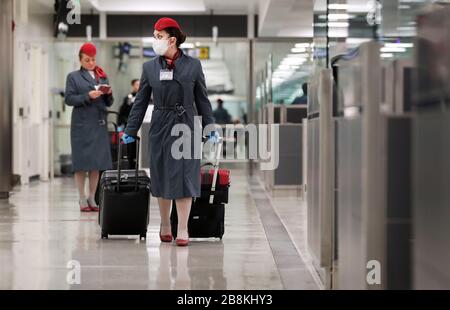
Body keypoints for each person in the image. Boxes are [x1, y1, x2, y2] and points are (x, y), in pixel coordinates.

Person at [122, 17, 216, 246]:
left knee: (186, 178)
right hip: (161, 125)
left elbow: (202, 99)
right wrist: (131, 129)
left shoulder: (193, 66)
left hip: (187, 125)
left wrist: (210, 126)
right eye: (154, 36)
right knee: (162, 176)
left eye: (159, 37)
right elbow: (140, 102)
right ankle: (165, 223)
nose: (155, 41)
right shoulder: (149, 67)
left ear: (172, 40)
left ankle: (182, 228)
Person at [65, 42, 114, 212]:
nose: (91, 63)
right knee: (81, 164)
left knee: (96, 163)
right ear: (80, 60)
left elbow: (109, 102)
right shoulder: (73, 77)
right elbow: (69, 99)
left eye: (93, 59)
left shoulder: (102, 75)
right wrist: (87, 96)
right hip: (81, 125)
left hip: (99, 123)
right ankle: (81, 198)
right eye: (87, 60)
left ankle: (92, 197)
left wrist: (109, 93)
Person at [118, 79, 140, 169]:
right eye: (136, 84)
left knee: (140, 148)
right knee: (129, 148)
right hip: (129, 126)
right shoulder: (128, 98)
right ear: (133, 86)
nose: (138, 86)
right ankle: (131, 168)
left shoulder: (147, 97)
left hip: (142, 127)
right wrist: (121, 125)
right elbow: (122, 113)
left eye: (140, 84)